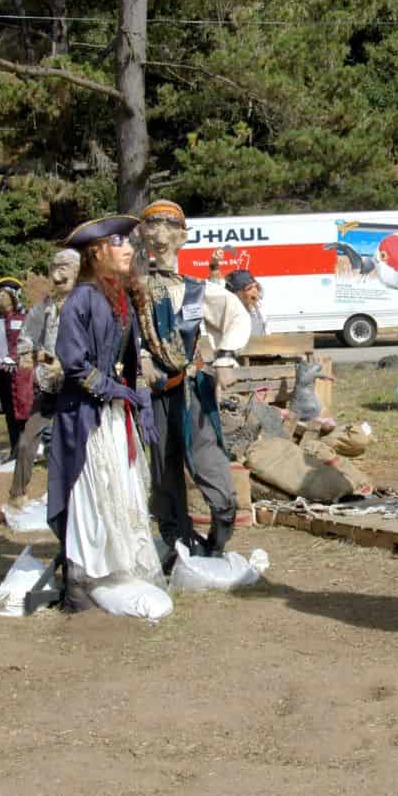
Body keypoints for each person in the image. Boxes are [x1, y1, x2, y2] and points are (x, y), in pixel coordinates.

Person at [47, 214, 162, 612]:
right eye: (120, 244)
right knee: (94, 492)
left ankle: (118, 570)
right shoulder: (82, 298)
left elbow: (130, 358)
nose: (130, 249)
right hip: (87, 415)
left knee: (122, 488)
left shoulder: (121, 296)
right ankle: (84, 582)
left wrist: (138, 396)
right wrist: (117, 391)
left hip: (115, 413)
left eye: (128, 243)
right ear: (97, 252)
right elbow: (75, 364)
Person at [135, 199, 252, 570]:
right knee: (164, 474)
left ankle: (220, 534)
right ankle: (177, 546)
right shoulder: (133, 291)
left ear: (183, 236)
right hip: (153, 396)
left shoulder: (198, 290)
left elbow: (235, 316)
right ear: (141, 235)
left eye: (169, 228)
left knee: (211, 469)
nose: (160, 236)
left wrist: (226, 356)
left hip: (193, 391)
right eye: (152, 227)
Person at [6, 248, 81, 509]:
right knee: (27, 442)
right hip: (49, 386)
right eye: (54, 268)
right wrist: (30, 355)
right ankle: (17, 492)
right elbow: (27, 337)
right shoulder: (44, 307)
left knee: (77, 446)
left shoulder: (86, 303)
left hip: (79, 386)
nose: (58, 275)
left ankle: (79, 498)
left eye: (65, 268)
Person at [0, 278, 34, 459]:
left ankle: (28, 451)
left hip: (22, 375)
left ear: (13, 297)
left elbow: (30, 343)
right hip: (3, 375)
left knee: (25, 413)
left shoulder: (25, 318)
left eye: (2, 294)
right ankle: (15, 451)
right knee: (10, 415)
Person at [208, 250, 267, 337]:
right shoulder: (226, 310)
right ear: (236, 294)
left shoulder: (258, 303)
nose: (255, 291)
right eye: (249, 288)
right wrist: (214, 263)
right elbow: (214, 285)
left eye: (255, 286)